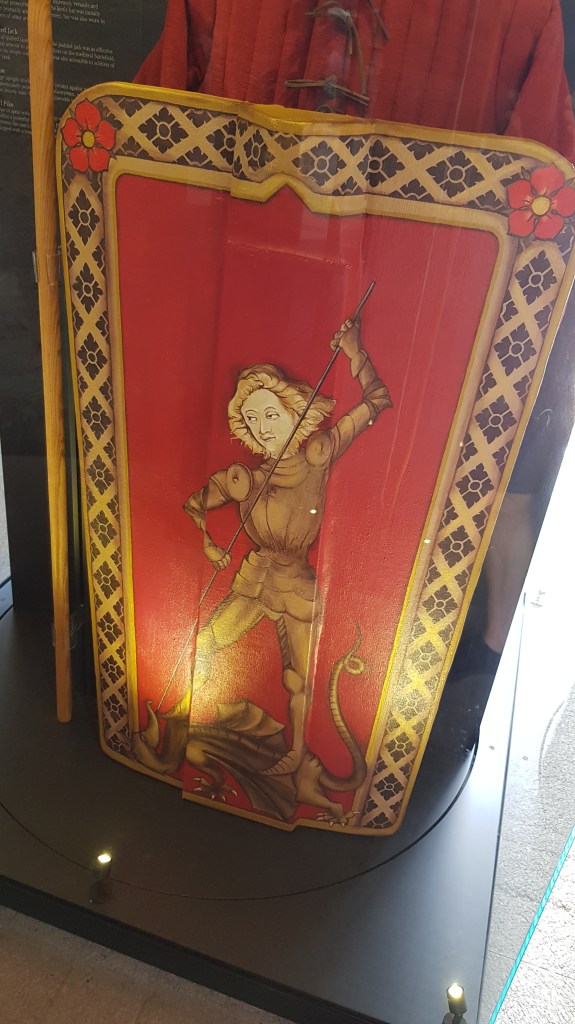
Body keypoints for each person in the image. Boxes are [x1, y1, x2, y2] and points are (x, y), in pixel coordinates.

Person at [164, 318, 392, 775]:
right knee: (206, 640)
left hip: (296, 581)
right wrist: (209, 545)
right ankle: (187, 720)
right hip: (256, 576)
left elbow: (377, 400)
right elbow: (194, 505)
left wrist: (354, 350)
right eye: (252, 419)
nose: (262, 428)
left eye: (271, 415)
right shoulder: (243, 479)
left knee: (298, 679)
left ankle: (297, 755)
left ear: (294, 412)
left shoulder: (317, 455)